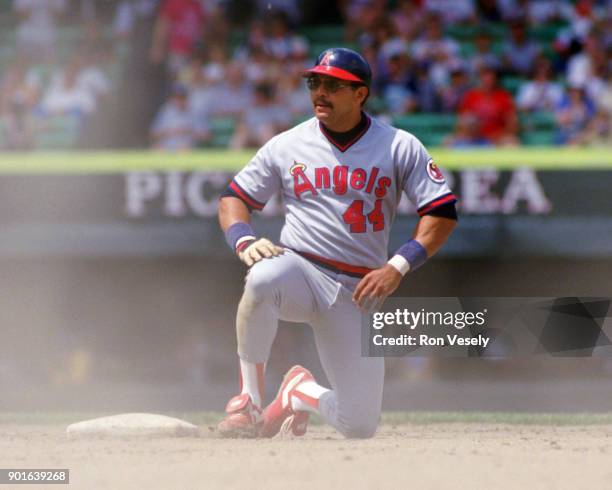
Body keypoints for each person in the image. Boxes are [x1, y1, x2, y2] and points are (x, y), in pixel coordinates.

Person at [216, 48, 457, 439]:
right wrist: (243, 238)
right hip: (300, 268)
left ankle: (300, 393)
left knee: (357, 424)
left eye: (332, 84)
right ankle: (249, 401)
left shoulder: (398, 145)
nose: (320, 92)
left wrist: (398, 266)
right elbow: (234, 198)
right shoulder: (287, 144)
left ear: (360, 94)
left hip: (357, 289)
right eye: (315, 82)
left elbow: (442, 211)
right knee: (261, 278)